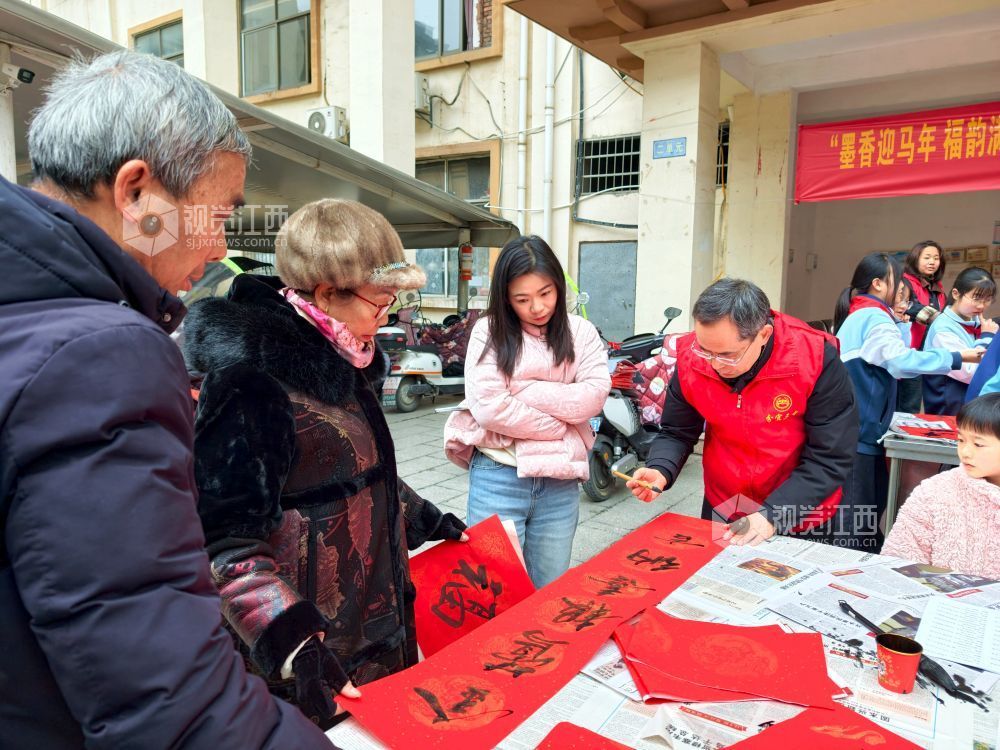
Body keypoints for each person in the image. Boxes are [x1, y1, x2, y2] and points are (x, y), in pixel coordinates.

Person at [0, 52, 331, 747]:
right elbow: (168, 697)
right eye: (217, 214)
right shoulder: (99, 351)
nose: (217, 247)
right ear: (136, 194)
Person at [183, 199, 467, 729]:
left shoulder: (341, 357)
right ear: (324, 294)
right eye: (378, 303)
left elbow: (361, 470)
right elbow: (224, 545)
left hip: (372, 626)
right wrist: (292, 642)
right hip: (308, 652)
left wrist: (424, 518)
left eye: (393, 302)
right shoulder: (252, 382)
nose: (386, 318)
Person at [629, 278, 858, 547]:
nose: (713, 365)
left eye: (727, 355)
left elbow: (830, 456)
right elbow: (677, 431)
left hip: (801, 509)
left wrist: (774, 514)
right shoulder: (693, 357)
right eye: (705, 351)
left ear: (763, 335)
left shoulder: (814, 359)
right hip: (725, 504)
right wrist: (660, 468)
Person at [443, 236, 610, 587]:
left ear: (559, 286)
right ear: (505, 298)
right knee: (496, 592)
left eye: (545, 293)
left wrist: (524, 389)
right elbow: (490, 408)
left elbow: (593, 397)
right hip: (498, 477)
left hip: (560, 482)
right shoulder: (488, 332)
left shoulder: (580, 332)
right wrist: (562, 426)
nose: (537, 307)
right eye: (522, 299)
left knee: (550, 589)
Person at [835, 252, 982, 550]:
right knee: (856, 525)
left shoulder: (863, 313)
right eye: (897, 282)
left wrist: (901, 323)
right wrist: (957, 357)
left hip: (859, 426)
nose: (904, 290)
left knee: (860, 517)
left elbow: (886, 358)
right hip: (860, 430)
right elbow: (900, 363)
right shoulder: (873, 316)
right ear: (878, 284)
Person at [883, 393, 1000, 579]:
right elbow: (900, 557)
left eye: (978, 444)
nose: (965, 452)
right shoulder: (934, 492)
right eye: (961, 440)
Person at [922, 266, 997, 415]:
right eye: (976, 298)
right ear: (956, 294)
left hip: (966, 400)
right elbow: (969, 372)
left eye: (987, 300)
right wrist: (987, 337)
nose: (981, 306)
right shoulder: (942, 328)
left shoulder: (974, 320)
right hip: (947, 404)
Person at [898, 241, 947, 412]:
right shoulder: (905, 282)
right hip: (909, 351)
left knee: (918, 403)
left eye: (936, 258)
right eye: (927, 257)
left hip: (928, 353)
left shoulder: (937, 287)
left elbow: (946, 312)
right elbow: (908, 306)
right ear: (915, 259)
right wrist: (943, 320)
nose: (932, 262)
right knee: (908, 405)